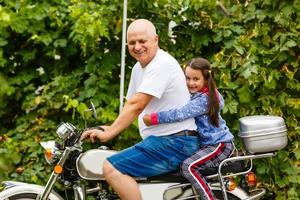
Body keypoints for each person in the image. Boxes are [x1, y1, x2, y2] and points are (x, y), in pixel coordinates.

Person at [80, 19, 200, 200]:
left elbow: (137, 105)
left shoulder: (161, 64)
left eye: (142, 41)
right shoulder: (139, 68)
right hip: (163, 142)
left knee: (111, 167)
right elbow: (130, 105)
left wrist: (110, 133)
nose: (137, 47)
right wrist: (109, 126)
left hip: (175, 142)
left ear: (156, 40)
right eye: (132, 42)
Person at [143, 57, 234, 200]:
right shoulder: (197, 95)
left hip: (219, 145)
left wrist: (154, 118)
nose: (191, 83)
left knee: (189, 167)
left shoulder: (204, 99)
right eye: (187, 78)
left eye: (196, 79)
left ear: (206, 78)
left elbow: (180, 113)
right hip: (207, 145)